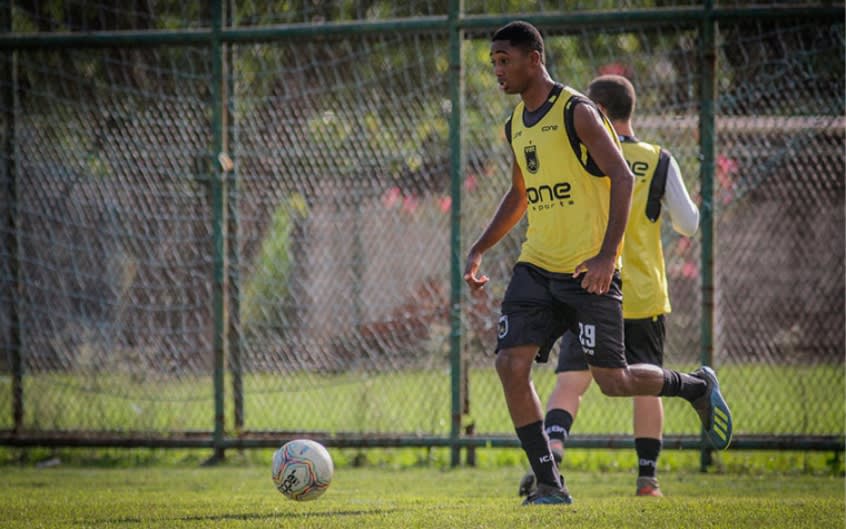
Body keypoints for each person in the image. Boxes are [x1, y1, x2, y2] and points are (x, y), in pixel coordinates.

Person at [463, 21, 733, 506]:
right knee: (509, 364)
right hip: (536, 268)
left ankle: (693, 386)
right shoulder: (514, 125)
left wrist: (608, 256)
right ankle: (549, 483)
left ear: (534, 59)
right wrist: (479, 247)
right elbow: (520, 193)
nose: (498, 71)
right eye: (494, 63)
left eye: (505, 60)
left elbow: (623, 177)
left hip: (589, 273)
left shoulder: (578, 112)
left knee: (615, 381)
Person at [517, 74, 701, 499]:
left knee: (570, 381)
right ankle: (647, 479)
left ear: (594, 110)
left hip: (588, 288)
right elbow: (688, 224)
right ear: (630, 109)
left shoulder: (582, 154)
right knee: (645, 382)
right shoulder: (659, 159)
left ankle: (555, 447)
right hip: (641, 294)